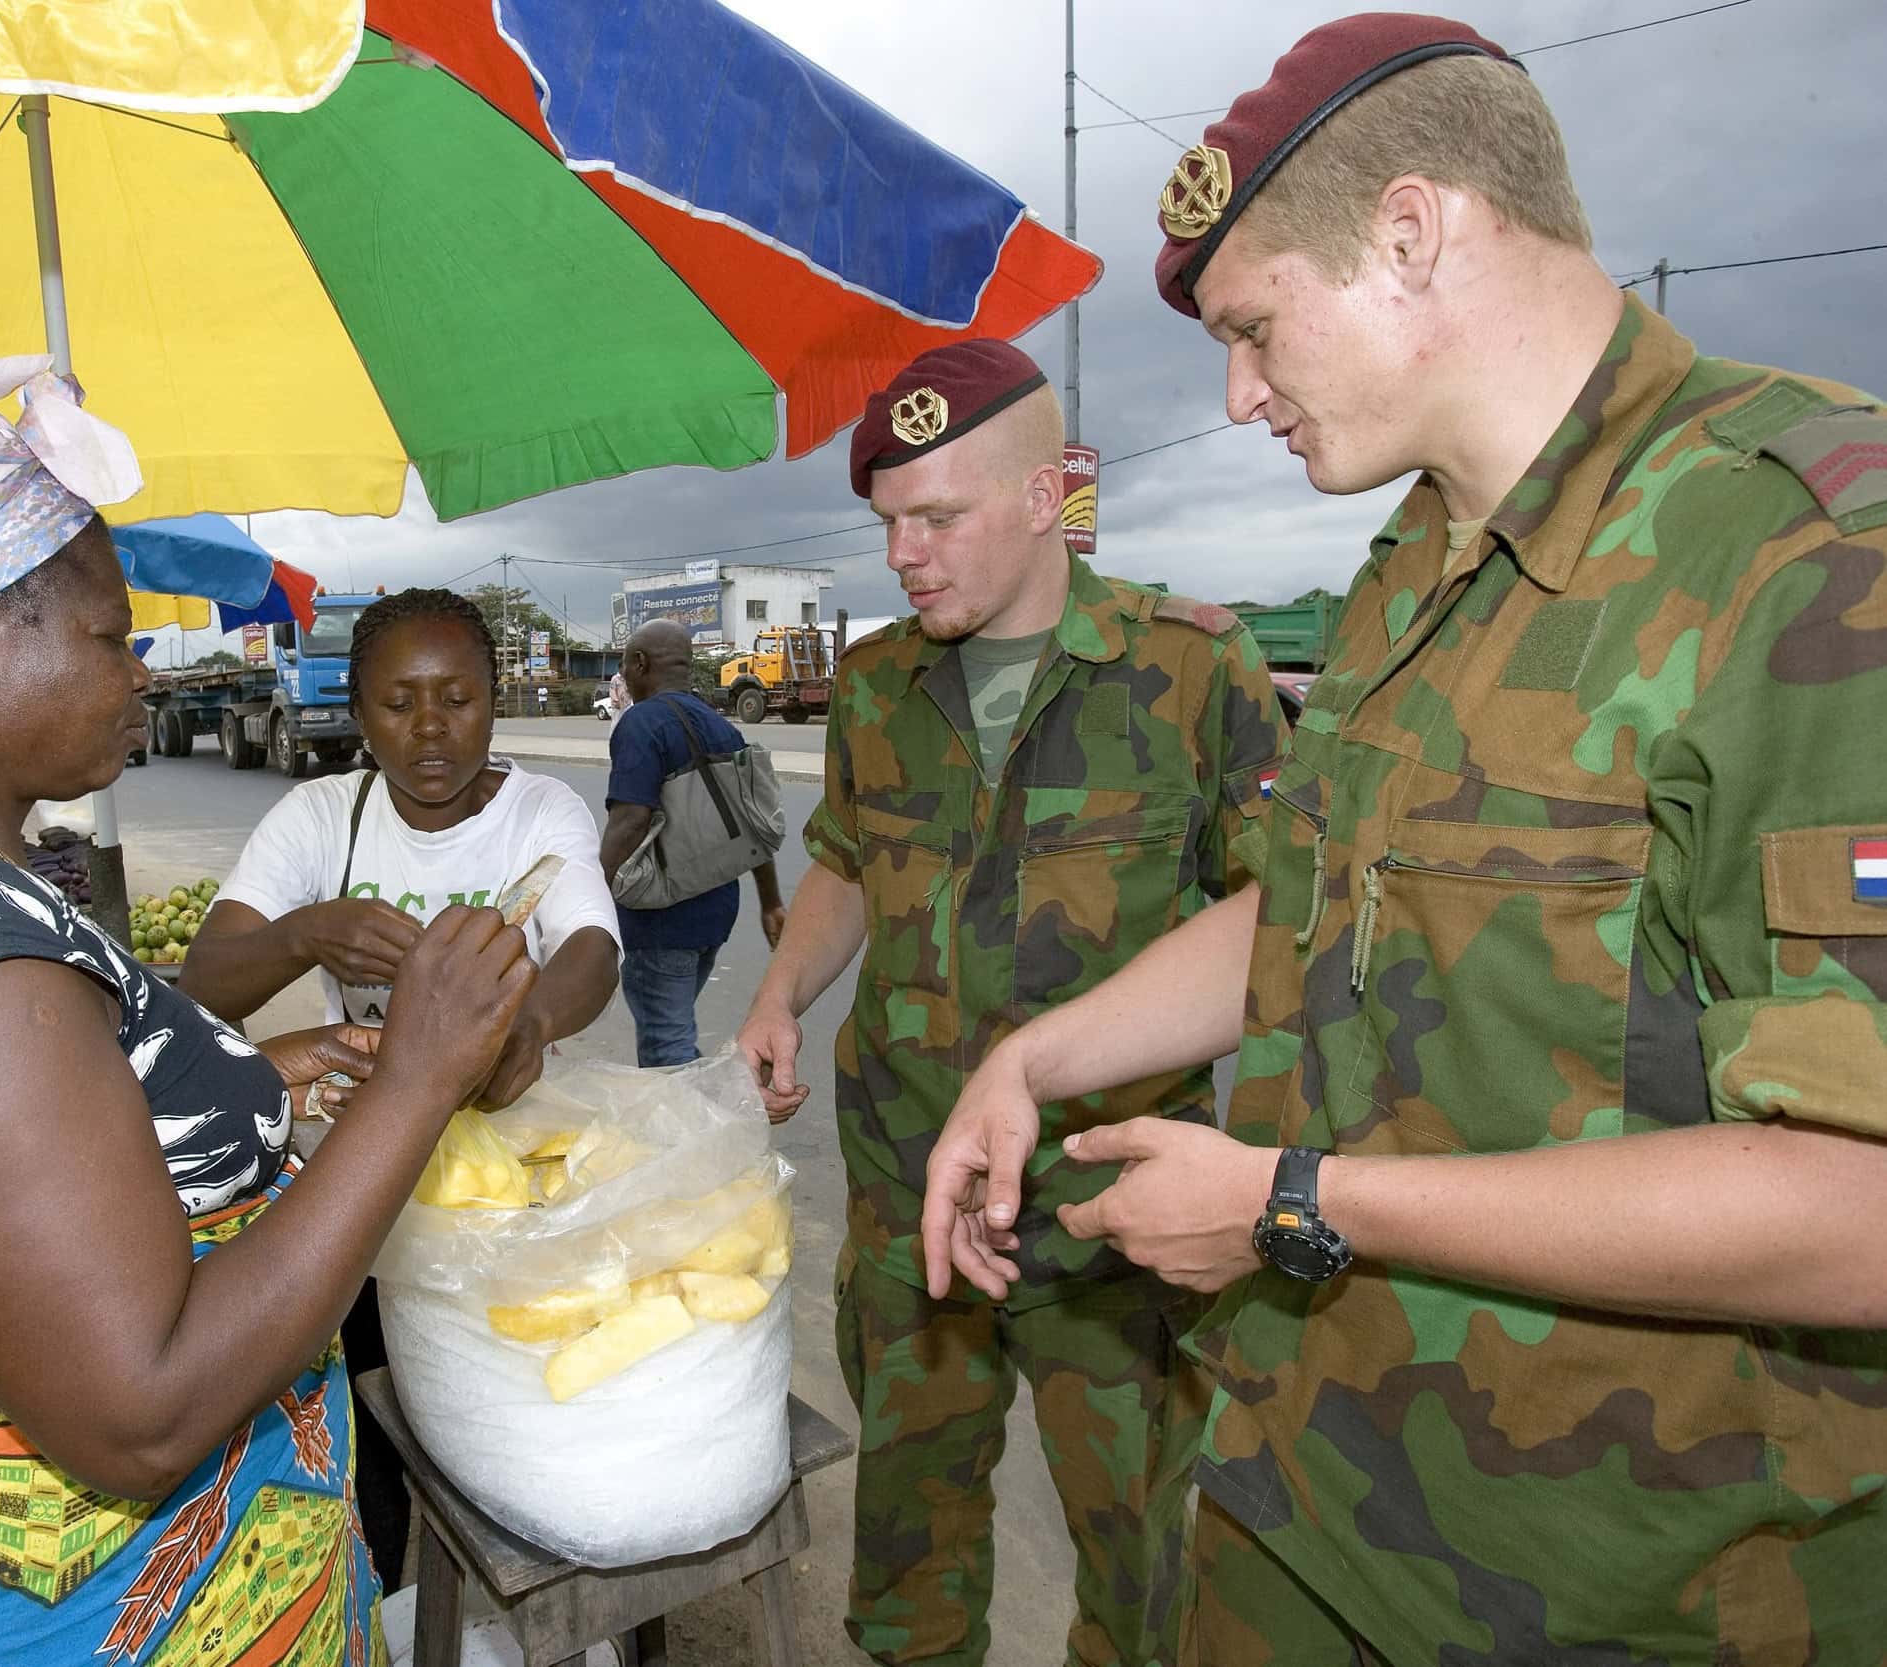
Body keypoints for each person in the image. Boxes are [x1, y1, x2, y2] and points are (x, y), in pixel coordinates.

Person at [920, 17, 1887, 1662]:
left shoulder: (1813, 554)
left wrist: (1298, 1198)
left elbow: (1858, 1210)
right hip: (1301, 1495)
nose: (1236, 396)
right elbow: (1307, 897)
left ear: (1413, 231)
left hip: (1629, 1584)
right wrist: (1037, 1057)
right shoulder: (1413, 562)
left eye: (1251, 328)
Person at [0, 360, 537, 1666]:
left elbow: (7, 1157)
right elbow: (141, 1408)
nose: (138, 673)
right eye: (103, 634)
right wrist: (416, 1079)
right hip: (82, 1600)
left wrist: (237, 1075)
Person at [735, 339, 1287, 1667]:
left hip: (1111, 1214)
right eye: (888, 524)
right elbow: (847, 861)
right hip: (909, 1194)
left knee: (1143, 1556)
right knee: (912, 1546)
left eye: (940, 516)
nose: (906, 554)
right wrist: (778, 990)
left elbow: (1280, 916)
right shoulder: (874, 682)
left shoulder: (1195, 672)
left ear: (1046, 497)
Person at [180, 585, 620, 1587]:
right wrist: (305, 933)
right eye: (398, 702)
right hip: (368, 1185)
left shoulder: (538, 811)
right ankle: (379, 1600)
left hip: (510, 1182)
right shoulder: (320, 816)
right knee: (373, 1426)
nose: (429, 728)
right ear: (357, 704)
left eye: (457, 697)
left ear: (493, 697)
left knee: (521, 1417)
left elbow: (591, 947)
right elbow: (206, 982)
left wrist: (533, 1024)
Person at [597, 619, 786, 1067]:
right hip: (715, 912)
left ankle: (705, 1129)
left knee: (667, 1048)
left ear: (640, 663)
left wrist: (588, 895)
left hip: (660, 918)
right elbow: (753, 824)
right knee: (674, 1030)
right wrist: (770, 902)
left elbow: (628, 821)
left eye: (625, 664)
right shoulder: (720, 726)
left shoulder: (640, 723)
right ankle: (709, 1114)